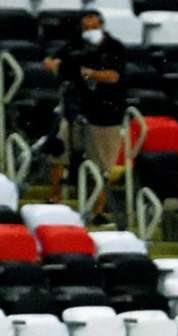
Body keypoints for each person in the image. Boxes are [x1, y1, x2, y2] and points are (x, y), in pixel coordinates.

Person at [42, 9, 126, 224]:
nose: (90, 28)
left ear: (101, 24)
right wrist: (59, 67)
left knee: (103, 165)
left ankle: (97, 210)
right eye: (86, 25)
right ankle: (55, 194)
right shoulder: (74, 46)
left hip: (106, 111)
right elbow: (51, 62)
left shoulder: (114, 47)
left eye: (94, 24)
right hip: (75, 107)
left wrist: (86, 72)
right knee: (58, 146)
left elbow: (113, 76)